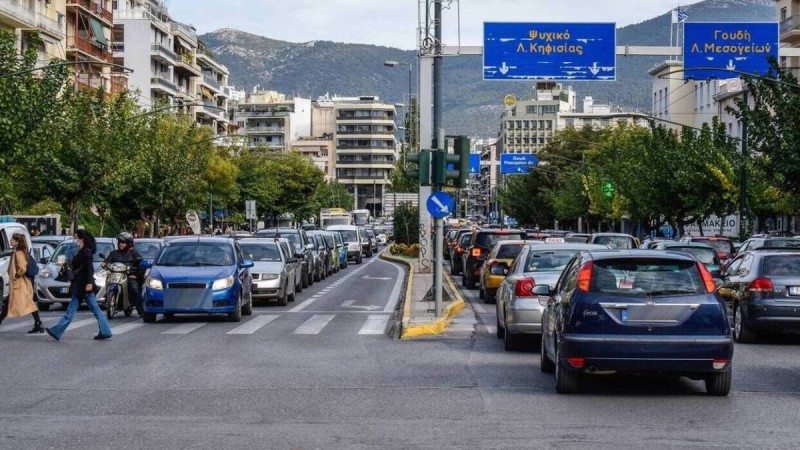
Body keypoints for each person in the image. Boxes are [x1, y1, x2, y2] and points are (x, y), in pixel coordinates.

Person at [46, 230, 112, 341]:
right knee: (93, 309)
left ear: (82, 239)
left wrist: (90, 283)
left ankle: (57, 331)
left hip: (83, 285)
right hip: (81, 285)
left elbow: (89, 269)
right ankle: (105, 331)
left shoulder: (86, 252)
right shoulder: (83, 251)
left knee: (73, 311)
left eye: (77, 238)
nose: (75, 240)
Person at [0, 233, 44, 334]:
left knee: (13, 304)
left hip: (19, 284)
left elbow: (22, 268)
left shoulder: (18, 253)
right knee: (11, 304)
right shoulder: (18, 252)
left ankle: (39, 324)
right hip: (21, 284)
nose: (10, 241)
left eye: (12, 240)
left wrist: (16, 277)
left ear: (17, 241)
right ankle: (38, 324)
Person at [104, 232, 144, 316]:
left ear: (128, 244)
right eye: (120, 243)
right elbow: (107, 261)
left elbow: (141, 265)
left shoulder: (134, 253)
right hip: (115, 276)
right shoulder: (114, 253)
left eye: (123, 243)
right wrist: (105, 264)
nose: (121, 245)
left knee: (134, 289)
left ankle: (141, 311)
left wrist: (135, 273)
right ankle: (107, 300)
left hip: (129, 276)